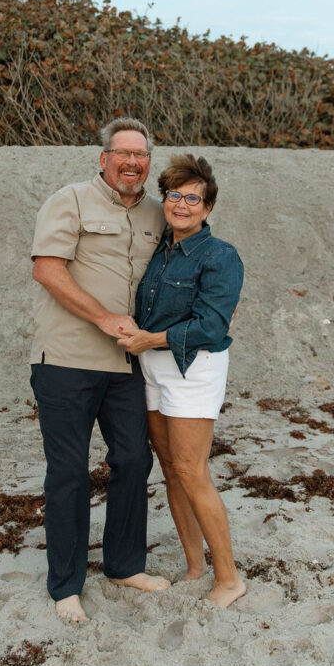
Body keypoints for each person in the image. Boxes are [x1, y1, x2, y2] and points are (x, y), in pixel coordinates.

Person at [29, 118, 171, 623]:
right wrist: (104, 317)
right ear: (104, 158)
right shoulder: (69, 200)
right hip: (65, 360)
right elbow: (47, 268)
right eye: (123, 152)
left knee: (133, 460)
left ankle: (123, 565)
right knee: (68, 472)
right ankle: (65, 586)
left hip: (126, 363)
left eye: (142, 154)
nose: (133, 161)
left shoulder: (159, 213)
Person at [117, 154, 246, 608]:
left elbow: (212, 327)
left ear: (208, 208)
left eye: (193, 198)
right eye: (175, 195)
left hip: (193, 369)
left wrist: (149, 338)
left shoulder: (220, 256)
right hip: (151, 365)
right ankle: (196, 565)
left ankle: (229, 579)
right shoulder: (160, 250)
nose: (183, 205)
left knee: (193, 471)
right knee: (170, 469)